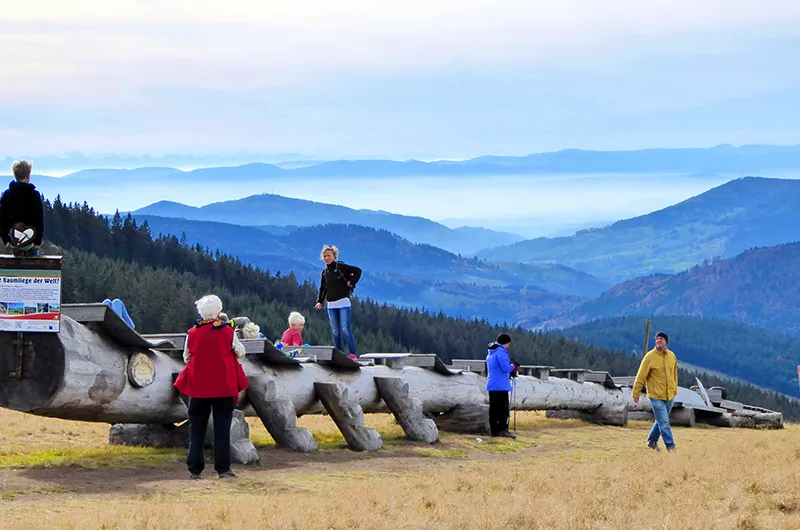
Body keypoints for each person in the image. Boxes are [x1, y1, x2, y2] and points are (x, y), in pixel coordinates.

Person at [174, 295, 247, 479]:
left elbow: (187, 358)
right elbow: (240, 352)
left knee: (197, 429)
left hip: (199, 387)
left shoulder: (192, 333)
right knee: (222, 429)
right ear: (218, 312)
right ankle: (223, 469)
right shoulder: (228, 332)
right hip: (224, 386)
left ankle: (195, 469)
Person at [632, 331, 679, 452]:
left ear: (666, 342)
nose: (658, 341)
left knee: (660, 420)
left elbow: (674, 374)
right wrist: (636, 392)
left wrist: (675, 389)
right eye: (657, 338)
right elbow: (640, 376)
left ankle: (652, 441)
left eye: (661, 339)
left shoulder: (672, 356)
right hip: (655, 395)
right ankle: (671, 447)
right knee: (664, 422)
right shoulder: (649, 357)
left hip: (669, 395)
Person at [314, 245, 361, 359]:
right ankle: (339, 354)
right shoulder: (324, 272)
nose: (327, 258)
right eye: (324, 256)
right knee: (335, 331)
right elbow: (323, 288)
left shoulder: (340, 266)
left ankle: (352, 354)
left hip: (344, 302)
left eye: (329, 256)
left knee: (345, 329)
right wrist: (320, 301)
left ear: (334, 256)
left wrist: (351, 282)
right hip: (331, 304)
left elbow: (358, 271)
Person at [0, 160, 44, 257]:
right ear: (28, 176)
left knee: (17, 267)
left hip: (14, 239)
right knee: (32, 268)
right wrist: (37, 241)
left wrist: (6, 239)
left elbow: (2, 219)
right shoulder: (34, 195)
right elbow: (39, 219)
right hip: (31, 239)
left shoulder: (7, 194)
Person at [485, 333, 519, 439]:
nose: (508, 346)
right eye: (508, 344)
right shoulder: (501, 352)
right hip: (501, 385)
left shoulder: (491, 352)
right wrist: (513, 366)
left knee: (494, 409)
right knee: (503, 409)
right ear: (505, 343)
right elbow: (505, 368)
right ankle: (503, 430)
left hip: (492, 384)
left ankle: (494, 430)